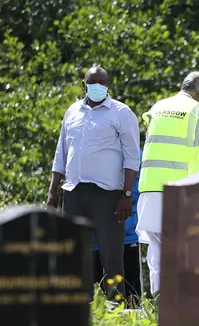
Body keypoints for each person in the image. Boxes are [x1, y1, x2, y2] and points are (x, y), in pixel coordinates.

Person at [48, 65, 141, 300]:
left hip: (108, 195)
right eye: (93, 82)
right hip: (74, 192)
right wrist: (52, 192)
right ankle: (79, 307)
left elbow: (132, 157)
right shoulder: (72, 112)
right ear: (84, 85)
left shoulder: (121, 113)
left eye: (102, 82)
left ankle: (115, 306)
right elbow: (61, 152)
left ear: (108, 85)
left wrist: (127, 195)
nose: (98, 86)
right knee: (74, 252)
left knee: (111, 256)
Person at [136, 71, 199, 297]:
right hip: (178, 190)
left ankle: (158, 299)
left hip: (149, 187)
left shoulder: (159, 106)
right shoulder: (198, 110)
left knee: (157, 247)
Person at [93, 148, 143, 306]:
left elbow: (137, 193)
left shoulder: (136, 156)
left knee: (131, 300)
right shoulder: (90, 153)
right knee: (98, 301)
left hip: (127, 239)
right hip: (96, 242)